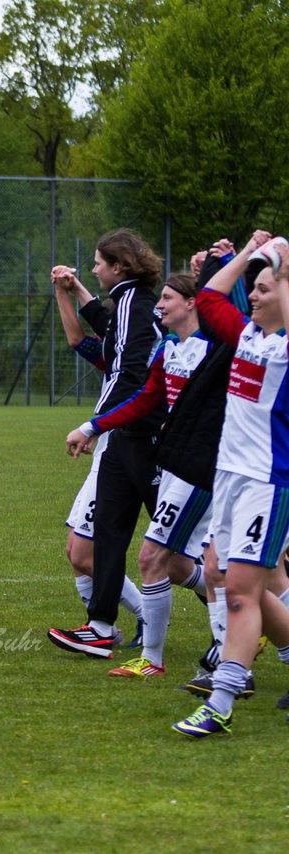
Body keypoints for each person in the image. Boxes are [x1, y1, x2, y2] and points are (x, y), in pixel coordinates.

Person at [64, 271, 213, 678]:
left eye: (167, 298)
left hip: (209, 468)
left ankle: (232, 644)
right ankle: (156, 655)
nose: (159, 305)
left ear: (191, 303)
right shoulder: (166, 349)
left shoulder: (217, 349)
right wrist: (94, 427)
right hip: (174, 462)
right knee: (174, 563)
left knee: (204, 565)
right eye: (159, 297)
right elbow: (146, 396)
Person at [172, 233, 289, 737]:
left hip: (268, 483)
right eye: (255, 287)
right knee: (222, 574)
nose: (255, 294)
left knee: (240, 591)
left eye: (266, 288)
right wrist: (246, 256)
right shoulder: (245, 335)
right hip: (229, 481)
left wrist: (282, 263)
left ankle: (221, 701)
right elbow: (209, 297)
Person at [48, 229, 166, 657]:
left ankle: (249, 613)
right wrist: (72, 289)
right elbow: (90, 336)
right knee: (88, 546)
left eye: (98, 262)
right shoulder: (128, 304)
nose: (93, 267)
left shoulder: (136, 304)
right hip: (119, 436)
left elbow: (131, 375)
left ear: (119, 266)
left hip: (134, 434)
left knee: (181, 554)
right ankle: (101, 626)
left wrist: (95, 424)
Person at [53, 268, 145, 645]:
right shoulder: (113, 354)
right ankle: (102, 628)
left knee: (85, 553)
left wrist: (95, 427)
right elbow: (77, 338)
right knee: (77, 551)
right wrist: (64, 291)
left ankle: (138, 619)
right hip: (106, 448)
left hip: (121, 448)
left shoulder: (135, 352)